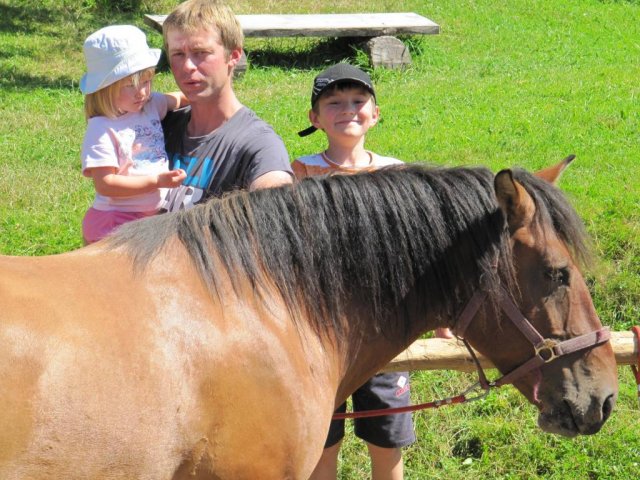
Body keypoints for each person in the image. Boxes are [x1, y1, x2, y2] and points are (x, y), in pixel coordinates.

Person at [294, 63, 453, 480]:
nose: (348, 109)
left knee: (387, 443)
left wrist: (442, 319)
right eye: (334, 102)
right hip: (320, 333)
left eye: (358, 101)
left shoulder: (395, 173)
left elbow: (419, 250)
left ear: (376, 113)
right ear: (314, 117)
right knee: (319, 445)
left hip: (385, 334)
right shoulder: (298, 172)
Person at [159, 0, 293, 211]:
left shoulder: (258, 143)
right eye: (178, 54)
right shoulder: (158, 125)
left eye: (200, 52)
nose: (187, 66)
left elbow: (277, 205)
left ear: (234, 56)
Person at [79, 25, 187, 244]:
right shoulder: (102, 128)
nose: (142, 92)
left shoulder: (150, 105)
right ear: (104, 88)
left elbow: (177, 98)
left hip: (150, 217)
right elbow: (106, 184)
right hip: (115, 221)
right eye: (130, 85)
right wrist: (156, 181)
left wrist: (204, 94)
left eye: (146, 82)